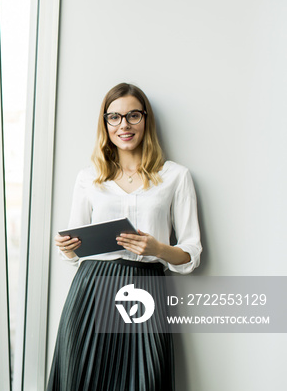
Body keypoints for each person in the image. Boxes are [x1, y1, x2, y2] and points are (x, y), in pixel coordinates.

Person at [48, 83, 202, 391]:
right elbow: (74, 252)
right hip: (91, 289)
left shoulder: (176, 176)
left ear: (146, 120)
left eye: (133, 115)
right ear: (105, 123)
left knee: (145, 380)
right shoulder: (88, 177)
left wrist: (157, 248)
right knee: (84, 381)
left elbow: (191, 254)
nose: (124, 125)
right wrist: (68, 249)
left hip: (145, 288)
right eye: (115, 117)